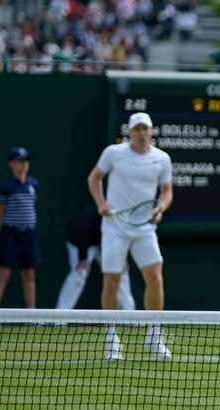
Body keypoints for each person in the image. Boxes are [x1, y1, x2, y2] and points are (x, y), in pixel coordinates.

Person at [87, 112, 173, 361]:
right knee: (111, 281)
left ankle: (154, 336)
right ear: (130, 132)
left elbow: (166, 192)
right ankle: (112, 339)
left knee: (155, 276)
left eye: (146, 129)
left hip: (145, 228)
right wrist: (101, 203)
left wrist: (161, 208)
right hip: (115, 226)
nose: (142, 133)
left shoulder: (162, 159)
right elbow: (94, 178)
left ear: (151, 132)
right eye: (137, 129)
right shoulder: (113, 153)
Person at [54, 204, 136, 312]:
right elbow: (81, 231)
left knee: (120, 271)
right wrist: (83, 259)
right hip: (80, 241)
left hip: (103, 243)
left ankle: (130, 315)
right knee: (79, 274)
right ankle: (59, 316)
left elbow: (119, 237)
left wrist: (121, 256)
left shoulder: (123, 215)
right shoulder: (95, 214)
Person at [0, 147, 40, 309]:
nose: (23, 164)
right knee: (3, 274)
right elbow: (0, 211)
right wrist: (3, 229)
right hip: (10, 234)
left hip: (29, 235)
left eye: (25, 161)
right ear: (11, 164)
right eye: (19, 161)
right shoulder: (5, 187)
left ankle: (32, 315)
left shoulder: (34, 184)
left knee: (29, 274)